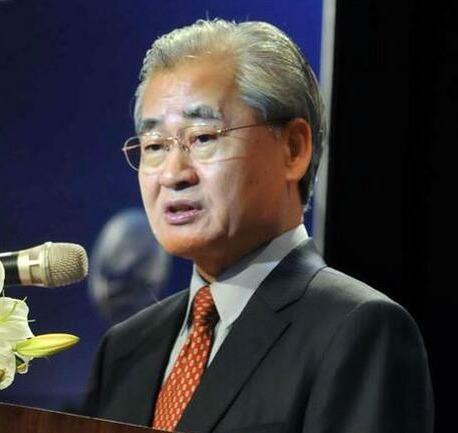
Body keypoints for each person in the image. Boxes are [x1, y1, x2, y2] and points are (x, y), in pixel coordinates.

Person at [83, 19, 434, 433]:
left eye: (204, 137)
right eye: (155, 146)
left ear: (294, 149)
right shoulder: (123, 350)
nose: (173, 173)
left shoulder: (357, 330)